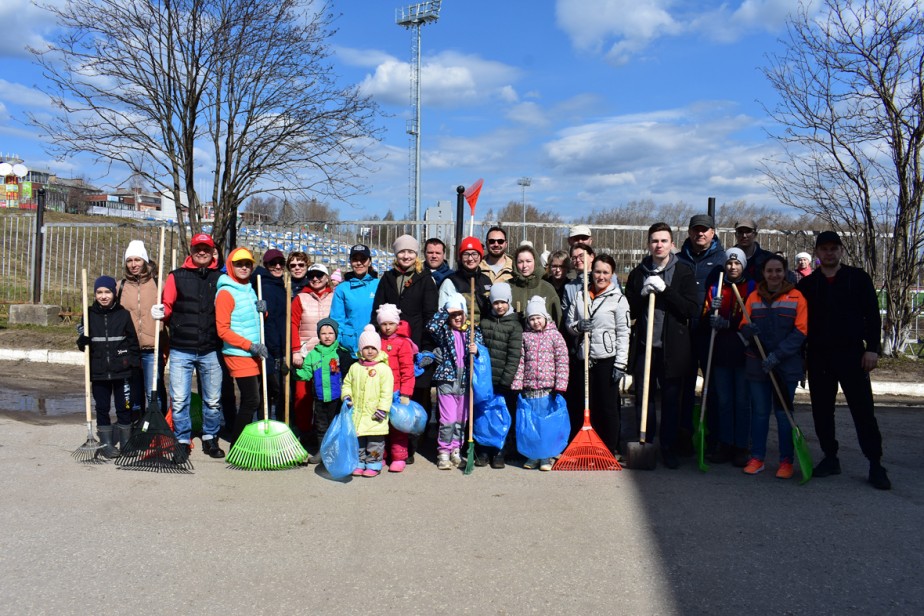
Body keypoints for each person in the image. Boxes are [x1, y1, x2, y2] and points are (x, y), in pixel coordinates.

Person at [797, 231, 890, 490]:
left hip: (852, 355)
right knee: (822, 411)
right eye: (824, 249)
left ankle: (875, 463)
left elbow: (872, 316)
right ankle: (830, 457)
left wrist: (872, 349)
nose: (829, 253)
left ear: (841, 251)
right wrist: (802, 356)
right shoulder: (808, 285)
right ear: (817, 253)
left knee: (863, 411)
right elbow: (801, 325)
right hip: (819, 356)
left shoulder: (857, 279)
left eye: (834, 248)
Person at [625, 222, 699, 469]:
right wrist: (641, 294)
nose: (659, 245)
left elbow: (690, 309)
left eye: (664, 241)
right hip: (645, 347)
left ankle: (668, 447)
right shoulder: (639, 273)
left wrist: (666, 290)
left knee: (670, 400)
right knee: (643, 399)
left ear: (672, 244)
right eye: (654, 241)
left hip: (673, 348)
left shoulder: (684, 272)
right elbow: (630, 310)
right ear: (648, 244)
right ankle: (646, 441)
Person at [151, 233, 225, 462]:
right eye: (197, 248)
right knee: (180, 399)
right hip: (181, 348)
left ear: (213, 251)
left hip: (210, 348)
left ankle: (210, 436)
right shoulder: (176, 277)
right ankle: (182, 440)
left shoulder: (220, 277)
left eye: (206, 248)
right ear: (191, 251)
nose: (201, 252)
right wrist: (161, 313)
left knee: (213, 400)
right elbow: (169, 306)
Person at [738, 254, 807, 479]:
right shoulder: (753, 297)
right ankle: (757, 458)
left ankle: (786, 461)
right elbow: (743, 323)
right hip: (757, 364)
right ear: (764, 273)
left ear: (785, 272)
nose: (774, 275)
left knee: (783, 413)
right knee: (759, 413)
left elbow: (801, 331)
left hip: (785, 366)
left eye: (778, 270)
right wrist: (748, 331)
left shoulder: (797, 297)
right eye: (770, 271)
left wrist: (777, 355)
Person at [564, 254, 630, 457]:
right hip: (585, 359)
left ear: (612, 274)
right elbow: (569, 324)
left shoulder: (618, 299)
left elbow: (624, 332)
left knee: (607, 406)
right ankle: (586, 446)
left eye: (605, 272)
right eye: (597, 271)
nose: (600, 276)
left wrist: (620, 364)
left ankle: (608, 448)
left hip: (607, 360)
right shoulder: (581, 296)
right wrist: (578, 326)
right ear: (591, 272)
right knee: (585, 405)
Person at [371, 234, 438, 425]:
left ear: (416, 255)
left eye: (410, 252)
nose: (406, 256)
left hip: (416, 341)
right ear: (396, 254)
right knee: (391, 387)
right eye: (402, 252)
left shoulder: (424, 279)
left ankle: (415, 438)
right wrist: (376, 336)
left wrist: (426, 345)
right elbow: (377, 308)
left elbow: (430, 314)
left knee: (417, 389)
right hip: (390, 343)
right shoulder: (388, 277)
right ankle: (392, 433)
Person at [77, 275, 141, 458]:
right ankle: (106, 443)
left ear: (114, 293)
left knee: (124, 407)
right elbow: (83, 345)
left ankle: (127, 442)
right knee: (102, 407)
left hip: (122, 369)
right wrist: (82, 341)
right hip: (98, 371)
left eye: (107, 292)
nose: (103, 296)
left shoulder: (123, 314)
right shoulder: (88, 314)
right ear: (95, 294)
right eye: (99, 292)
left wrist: (134, 365)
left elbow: (132, 342)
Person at [702, 248, 755, 467]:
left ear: (743, 265)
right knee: (724, 401)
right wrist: (710, 315)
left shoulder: (751, 287)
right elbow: (705, 317)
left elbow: (751, 315)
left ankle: (741, 446)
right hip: (721, 352)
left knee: (741, 401)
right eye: (729, 263)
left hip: (743, 352)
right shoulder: (716, 288)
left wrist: (730, 324)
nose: (732, 267)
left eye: (737, 263)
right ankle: (725, 443)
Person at [215, 248, 270, 445]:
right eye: (239, 264)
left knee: (253, 399)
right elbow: (223, 330)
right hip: (239, 352)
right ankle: (237, 443)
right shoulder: (226, 292)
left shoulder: (249, 288)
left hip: (253, 352)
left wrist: (263, 312)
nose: (244, 267)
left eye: (247, 264)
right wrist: (250, 346)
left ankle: (244, 439)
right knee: (251, 400)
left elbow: (249, 321)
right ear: (231, 266)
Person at [426, 293, 484, 470]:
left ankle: (455, 450)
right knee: (448, 419)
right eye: (453, 315)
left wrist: (477, 349)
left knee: (461, 419)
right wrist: (446, 310)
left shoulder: (473, 332)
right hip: (447, 380)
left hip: (465, 382)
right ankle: (443, 451)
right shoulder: (444, 332)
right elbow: (431, 326)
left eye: (460, 313)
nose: (457, 317)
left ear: (465, 314)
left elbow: (481, 350)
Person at [513, 296, 570, 471]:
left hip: (547, 390)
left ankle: (545, 456)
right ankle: (533, 455)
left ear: (545, 317)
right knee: (531, 425)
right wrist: (518, 383)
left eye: (538, 318)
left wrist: (560, 384)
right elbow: (521, 361)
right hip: (530, 389)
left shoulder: (555, 336)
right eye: (532, 318)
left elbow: (562, 360)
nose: (536, 322)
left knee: (546, 425)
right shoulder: (525, 337)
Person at [295, 317, 353, 465]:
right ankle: (322, 452)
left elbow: (348, 376)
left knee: (337, 426)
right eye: (323, 333)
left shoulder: (341, 353)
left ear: (336, 334)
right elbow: (307, 372)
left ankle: (337, 453)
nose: (327, 336)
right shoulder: (314, 354)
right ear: (318, 335)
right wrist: (293, 371)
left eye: (330, 333)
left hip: (337, 398)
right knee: (321, 427)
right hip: (320, 398)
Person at [477, 282, 523, 468]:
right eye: (496, 302)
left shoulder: (514, 325)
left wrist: (506, 380)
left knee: (503, 416)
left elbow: (514, 355)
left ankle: (500, 450)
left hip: (504, 382)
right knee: (484, 415)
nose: (500, 306)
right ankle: (483, 449)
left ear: (509, 301)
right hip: (485, 381)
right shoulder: (485, 322)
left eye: (503, 302)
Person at [118, 239, 165, 417]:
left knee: (154, 392)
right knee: (133, 393)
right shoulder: (120, 287)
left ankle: (157, 428)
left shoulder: (158, 284)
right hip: (129, 349)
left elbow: (171, 310)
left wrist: (165, 312)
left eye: (137, 260)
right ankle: (137, 427)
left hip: (152, 349)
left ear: (144, 261)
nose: (133, 264)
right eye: (129, 261)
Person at [342, 325, 394, 478]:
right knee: (359, 441)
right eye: (366, 348)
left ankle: (373, 464)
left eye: (373, 348)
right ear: (360, 349)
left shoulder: (383, 369)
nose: (370, 351)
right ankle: (359, 462)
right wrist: (347, 396)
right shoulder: (355, 367)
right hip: (357, 413)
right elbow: (347, 384)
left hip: (375, 414)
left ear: (378, 349)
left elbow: (387, 392)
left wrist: (383, 409)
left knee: (375, 443)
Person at [291, 263, 334, 445]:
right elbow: (293, 324)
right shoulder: (300, 298)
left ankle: (322, 435)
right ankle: (304, 431)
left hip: (328, 354)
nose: (315, 279)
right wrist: (295, 351)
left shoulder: (335, 296)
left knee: (326, 396)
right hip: (306, 353)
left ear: (327, 277)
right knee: (302, 396)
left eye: (319, 275)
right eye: (312, 276)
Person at [375, 303, 416, 473]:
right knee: (378, 426)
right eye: (384, 324)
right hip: (377, 391)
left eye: (391, 323)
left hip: (397, 392)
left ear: (397, 324)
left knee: (398, 427)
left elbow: (408, 370)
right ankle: (379, 455)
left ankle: (399, 457)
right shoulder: (375, 341)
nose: (387, 327)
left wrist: (406, 392)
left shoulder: (403, 343)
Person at [252, 248, 287, 422]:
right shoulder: (259, 284)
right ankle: (262, 425)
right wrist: (255, 306)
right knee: (267, 391)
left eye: (281, 263)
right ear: (266, 265)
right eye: (273, 263)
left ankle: (279, 427)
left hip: (282, 347)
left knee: (280, 392)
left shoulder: (282, 285)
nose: (278, 266)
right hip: (267, 347)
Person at [329, 244, 379, 356]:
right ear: (350, 262)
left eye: (363, 259)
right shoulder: (342, 288)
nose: (359, 263)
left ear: (369, 262)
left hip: (374, 347)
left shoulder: (378, 285)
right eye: (355, 259)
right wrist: (341, 341)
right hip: (350, 348)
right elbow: (337, 319)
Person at [438, 236, 492, 324]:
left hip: (484, 333)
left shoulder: (486, 281)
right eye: (466, 254)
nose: (470, 259)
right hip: (461, 334)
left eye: (474, 254)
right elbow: (442, 313)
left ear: (480, 256)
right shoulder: (451, 282)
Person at [509, 244, 562, 327]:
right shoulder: (508, 287)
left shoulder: (547, 289)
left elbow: (558, 319)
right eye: (520, 262)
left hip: (541, 339)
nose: (524, 266)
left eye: (528, 261)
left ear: (535, 262)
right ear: (515, 264)